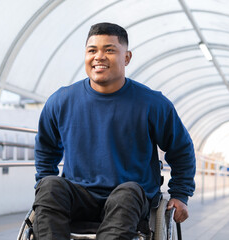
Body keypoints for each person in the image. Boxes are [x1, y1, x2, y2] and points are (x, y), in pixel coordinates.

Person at [32, 22, 196, 240]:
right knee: (49, 186)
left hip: (130, 199)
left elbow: (181, 149)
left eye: (109, 50)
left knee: (127, 192)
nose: (99, 56)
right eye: (92, 50)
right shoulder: (61, 101)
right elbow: (46, 147)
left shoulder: (153, 104)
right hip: (80, 195)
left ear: (126, 57)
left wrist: (180, 194)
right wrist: (43, 184)